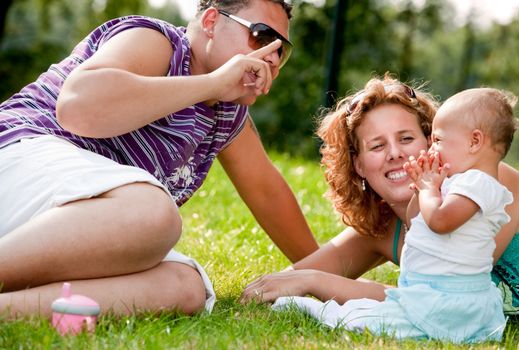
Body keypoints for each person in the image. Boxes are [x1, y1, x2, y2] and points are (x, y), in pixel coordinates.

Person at [0, 0, 319, 318]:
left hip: (60, 223)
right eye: (262, 37)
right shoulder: (156, 41)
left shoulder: (227, 112)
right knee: (153, 212)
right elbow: (76, 107)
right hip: (19, 156)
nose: (273, 58)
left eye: (282, 50)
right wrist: (213, 83)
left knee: (186, 288)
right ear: (210, 22)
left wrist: (323, 278)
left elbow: (267, 192)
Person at [242, 76, 519, 325]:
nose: (395, 153)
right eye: (377, 146)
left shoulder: (485, 181)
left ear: (431, 142)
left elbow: (436, 300)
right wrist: (307, 280)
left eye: (406, 138)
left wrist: (318, 282)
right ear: (359, 166)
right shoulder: (381, 229)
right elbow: (286, 281)